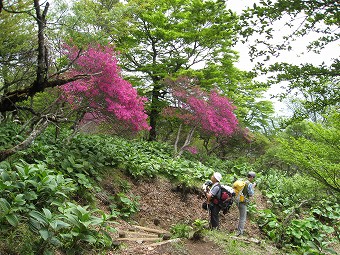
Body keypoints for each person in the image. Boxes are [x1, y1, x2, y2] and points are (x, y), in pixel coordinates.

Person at [236, 171, 256, 236]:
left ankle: (238, 230)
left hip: (238, 200)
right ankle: (240, 232)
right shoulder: (249, 184)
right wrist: (253, 187)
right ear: (252, 177)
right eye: (253, 177)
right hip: (243, 202)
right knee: (243, 218)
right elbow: (251, 194)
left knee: (240, 216)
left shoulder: (243, 181)